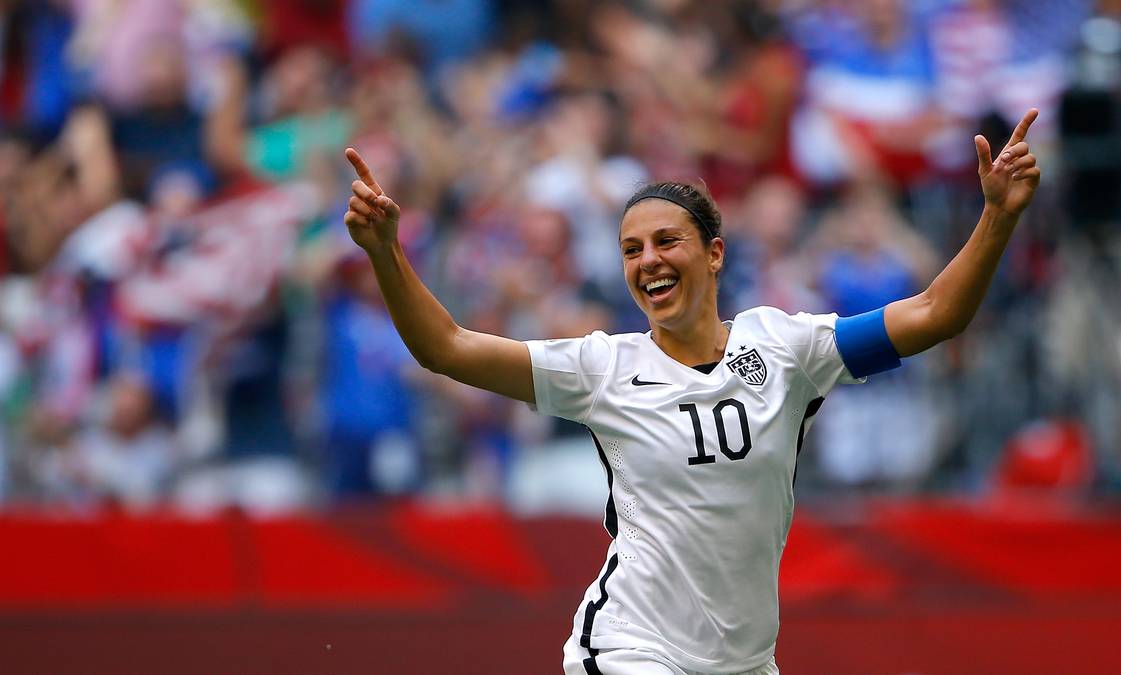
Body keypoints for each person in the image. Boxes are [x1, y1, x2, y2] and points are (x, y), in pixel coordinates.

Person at [342, 109, 1042, 675]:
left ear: (714, 253)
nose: (647, 260)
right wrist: (385, 251)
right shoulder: (600, 368)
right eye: (631, 249)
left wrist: (998, 216)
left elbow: (935, 314)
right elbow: (446, 347)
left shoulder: (787, 347)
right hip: (630, 648)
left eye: (665, 241)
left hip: (744, 662)